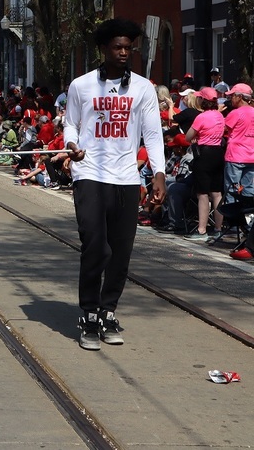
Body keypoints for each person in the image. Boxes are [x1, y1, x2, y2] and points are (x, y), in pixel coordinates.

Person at [64, 18, 165, 351]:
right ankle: (89, 313)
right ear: (104, 49)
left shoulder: (142, 88)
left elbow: (152, 134)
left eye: (128, 48)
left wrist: (159, 173)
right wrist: (71, 147)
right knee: (96, 245)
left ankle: (108, 311)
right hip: (90, 173)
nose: (124, 53)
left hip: (126, 177)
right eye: (118, 47)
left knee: (120, 253)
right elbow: (70, 126)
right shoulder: (81, 86)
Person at [184, 87, 225, 242]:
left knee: (202, 193)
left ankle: (202, 229)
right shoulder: (220, 116)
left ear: (203, 100)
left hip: (204, 154)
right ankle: (218, 228)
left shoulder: (201, 117)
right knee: (217, 193)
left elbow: (188, 137)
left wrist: (197, 137)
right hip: (218, 153)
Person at [222, 83, 254, 260]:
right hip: (252, 157)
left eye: (233, 95)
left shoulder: (235, 113)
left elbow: (224, 130)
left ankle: (234, 229)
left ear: (240, 97)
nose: (230, 98)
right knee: (249, 195)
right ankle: (249, 230)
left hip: (236, 156)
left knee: (232, 192)